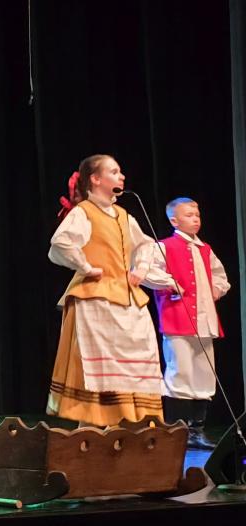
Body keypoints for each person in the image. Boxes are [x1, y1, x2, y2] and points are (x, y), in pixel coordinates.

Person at [46, 154, 172, 428]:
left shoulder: (124, 215)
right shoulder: (84, 212)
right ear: (95, 179)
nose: (121, 176)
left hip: (127, 298)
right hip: (96, 298)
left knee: (135, 360)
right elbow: (60, 244)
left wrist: (141, 269)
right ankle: (93, 426)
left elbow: (146, 245)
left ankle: (130, 423)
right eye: (114, 172)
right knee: (101, 366)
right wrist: (86, 267)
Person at [151, 197, 230, 449]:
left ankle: (197, 430)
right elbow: (149, 272)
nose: (195, 219)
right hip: (177, 319)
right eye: (189, 215)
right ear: (174, 221)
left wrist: (217, 288)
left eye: (197, 215)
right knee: (180, 372)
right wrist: (169, 283)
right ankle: (177, 431)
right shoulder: (164, 246)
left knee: (204, 373)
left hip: (204, 321)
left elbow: (220, 275)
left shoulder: (205, 249)